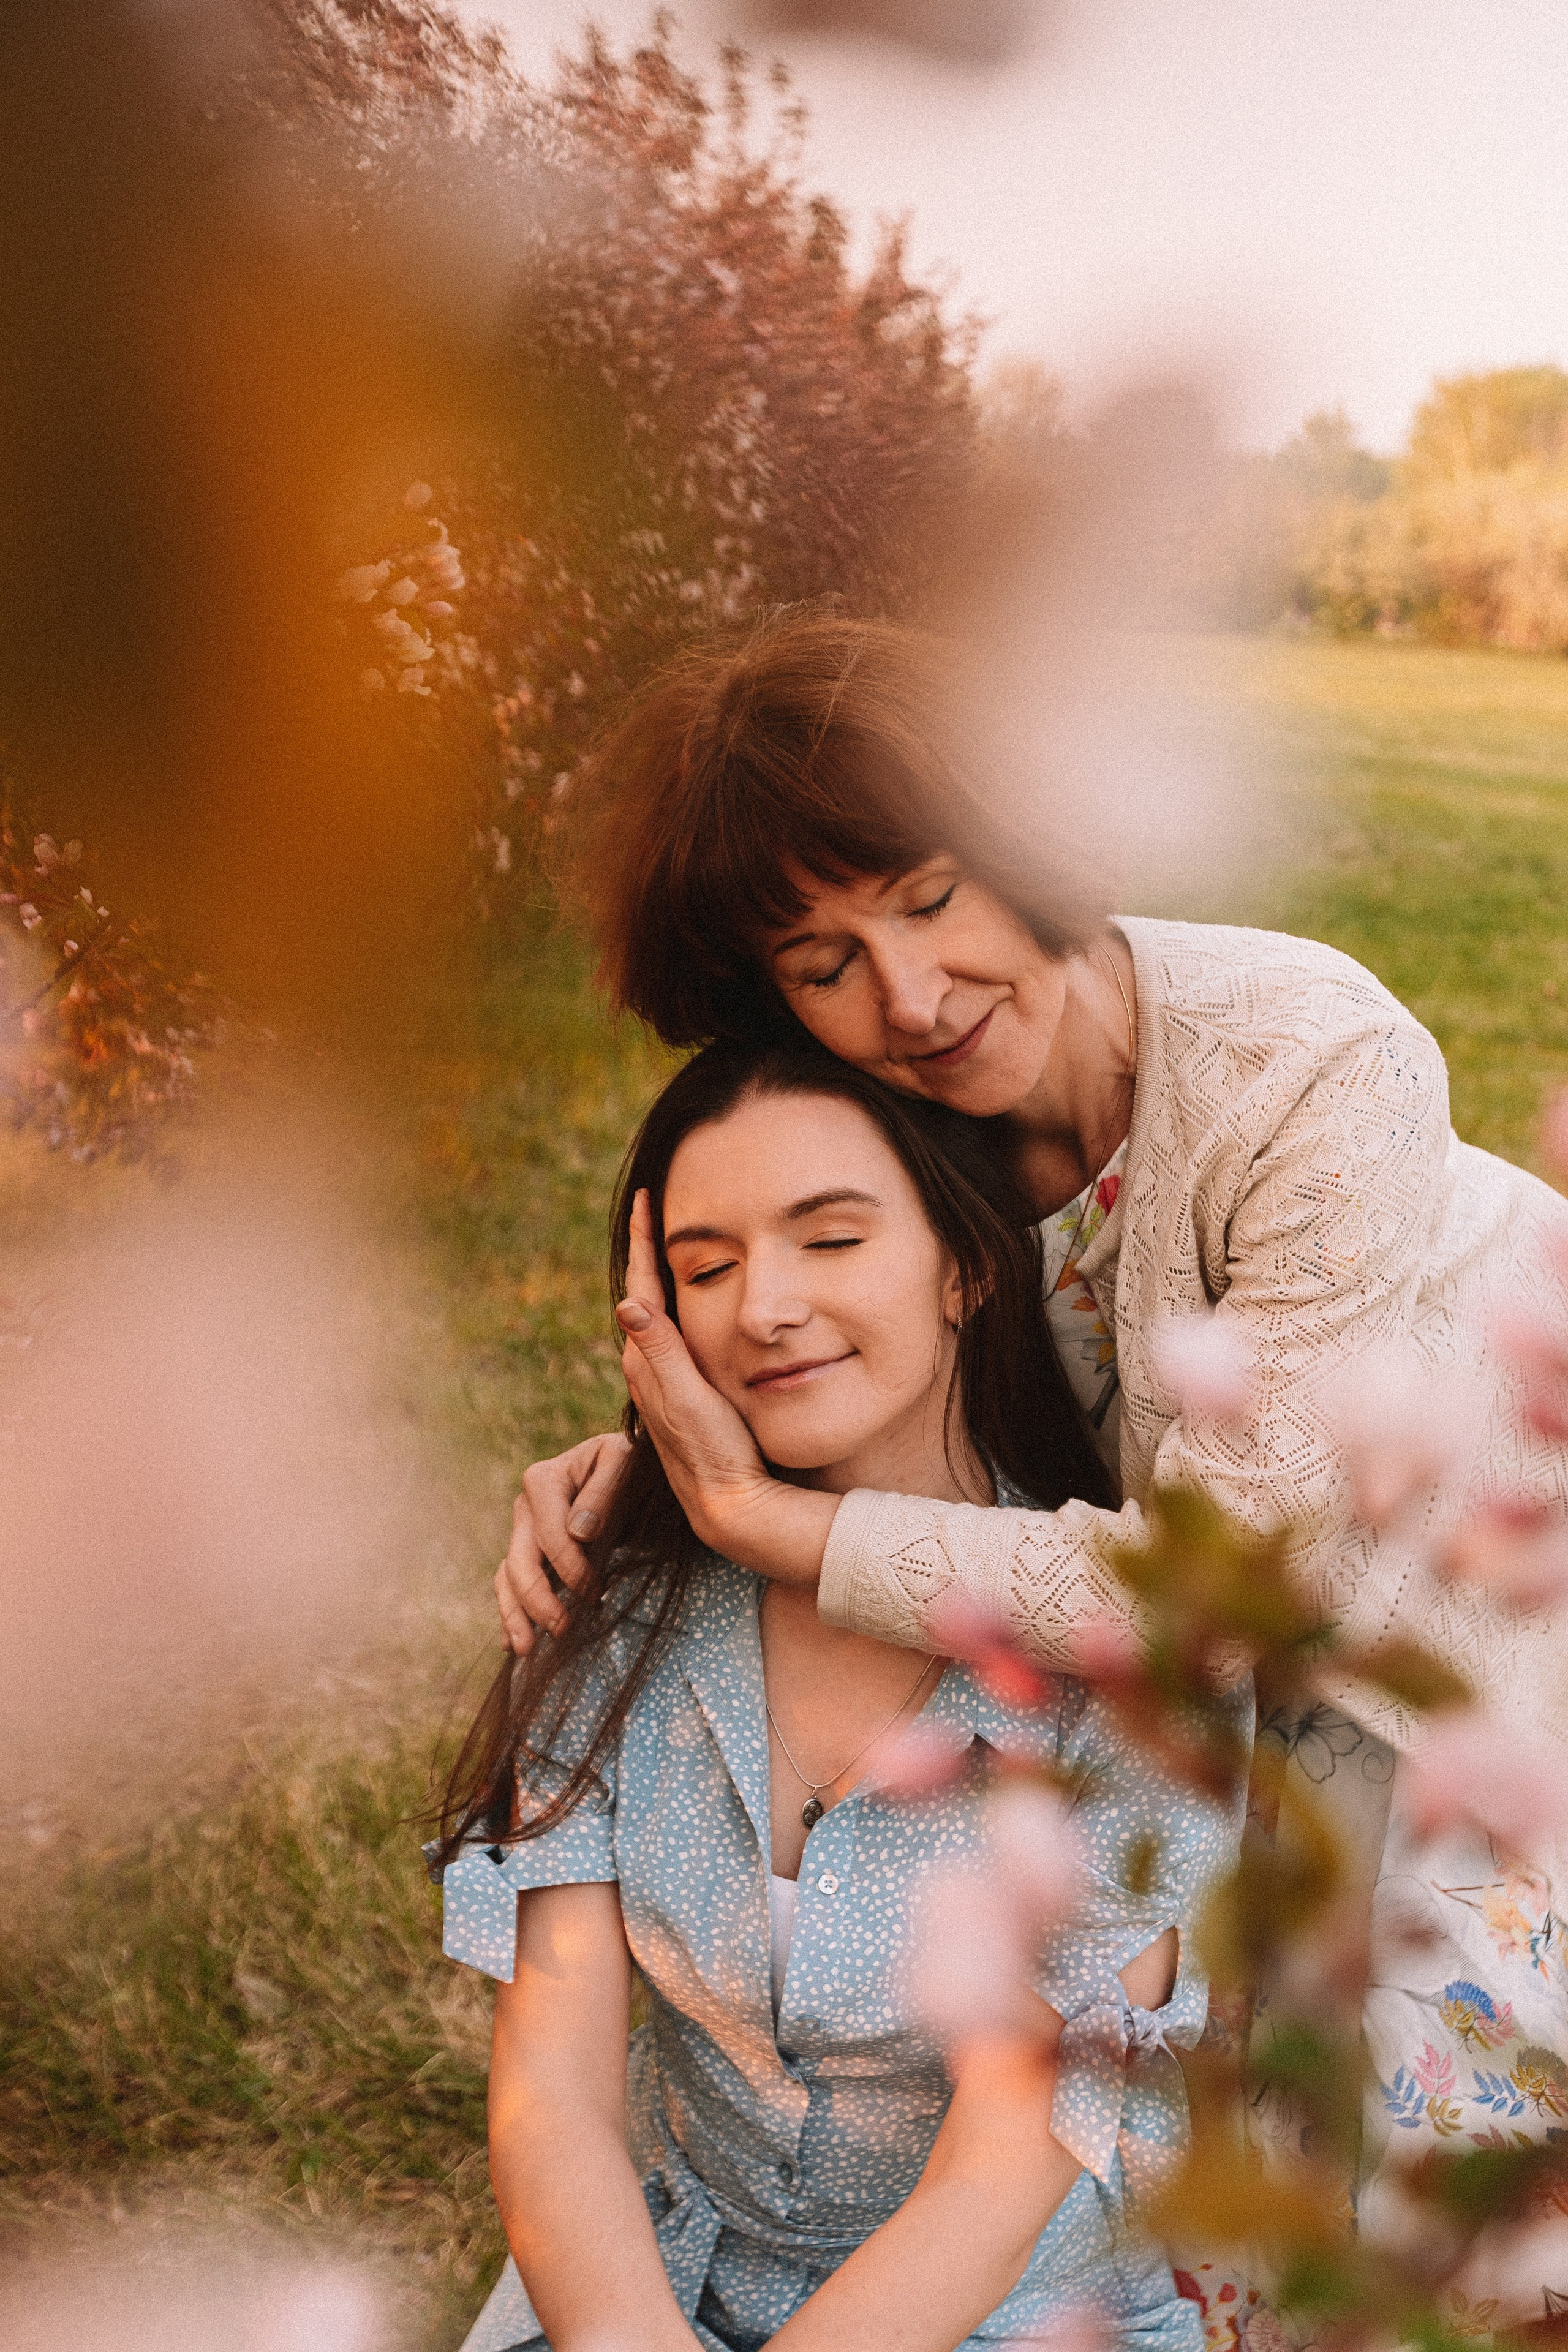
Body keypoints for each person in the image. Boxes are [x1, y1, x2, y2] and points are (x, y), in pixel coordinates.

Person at [497, 609, 1568, 2304]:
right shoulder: (914, 1115)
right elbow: (840, 1306)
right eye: (822, 961)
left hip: (1465, 1629)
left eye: (931, 895)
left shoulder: (1313, 1062)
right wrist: (656, 1453)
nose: (910, 997)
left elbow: (1210, 1594)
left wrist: (765, 1520)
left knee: (1427, 2232)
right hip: (1200, 1653)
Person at [435, 1033, 1247, 2352]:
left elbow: (995, 2179)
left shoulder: (1120, 1669)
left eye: (829, 1239)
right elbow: (555, 2092)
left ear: (966, 1268)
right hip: (652, 2291)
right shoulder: (609, 1606)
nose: (762, 1307)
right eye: (705, 1267)